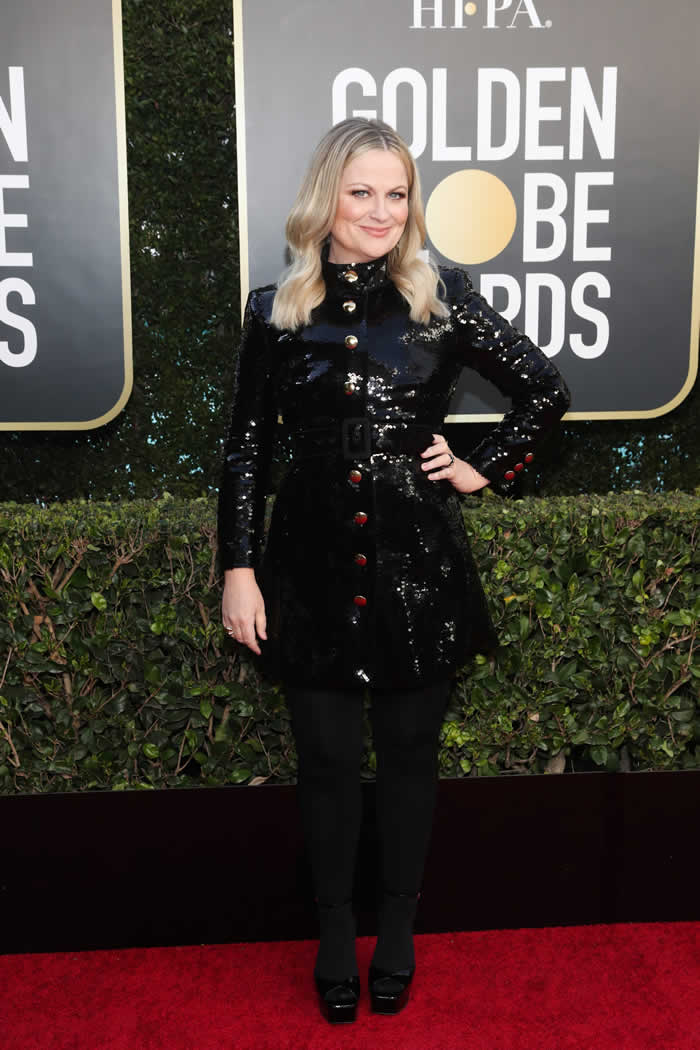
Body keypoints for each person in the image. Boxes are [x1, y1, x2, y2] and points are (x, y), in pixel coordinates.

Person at [217, 117, 571, 1023]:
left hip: (419, 566)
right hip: (307, 568)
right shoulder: (274, 310)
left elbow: (545, 389)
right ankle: (337, 936)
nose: (381, 211)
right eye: (362, 192)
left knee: (411, 757)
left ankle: (401, 933)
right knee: (327, 761)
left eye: (397, 194)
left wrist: (485, 466)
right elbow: (247, 449)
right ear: (325, 198)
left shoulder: (441, 297)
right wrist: (239, 567)